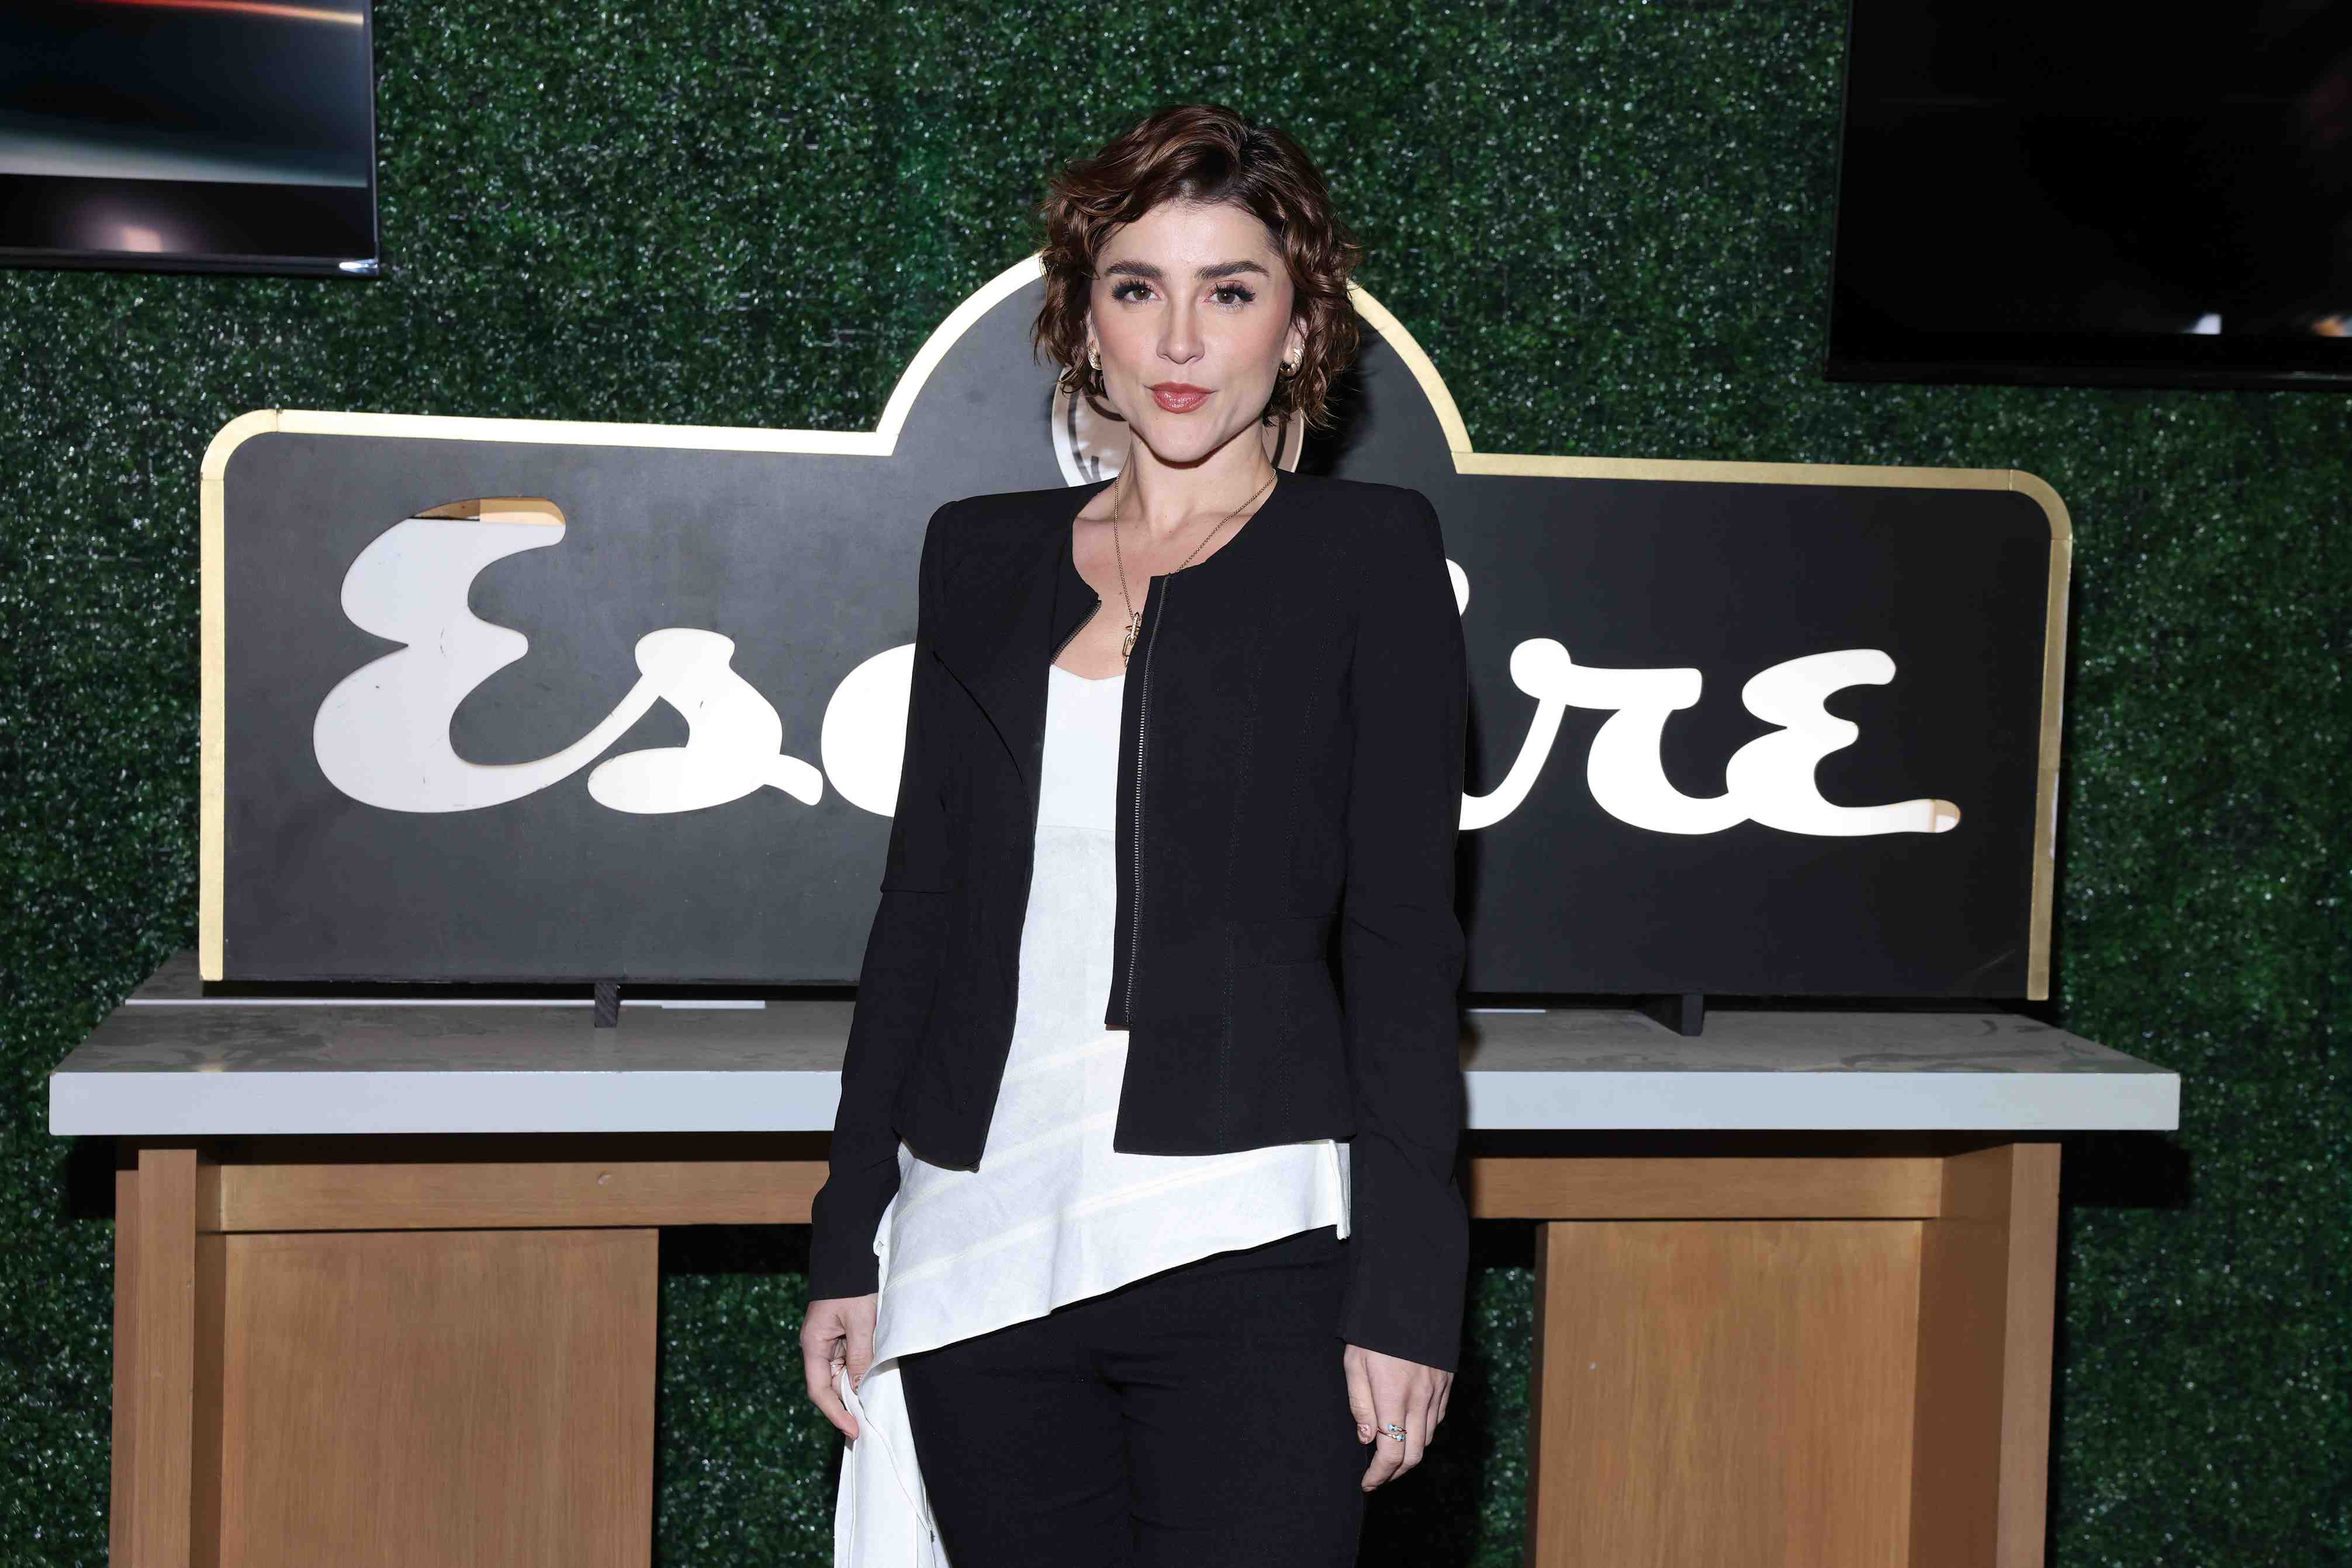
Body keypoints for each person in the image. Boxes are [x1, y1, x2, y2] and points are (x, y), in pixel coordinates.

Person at [800, 101, 1471, 1567]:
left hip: (1247, 1238)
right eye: (1135, 288)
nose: (1178, 340)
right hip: (978, 1230)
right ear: (1082, 324)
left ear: (1299, 327)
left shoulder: (1366, 557)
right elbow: (918, 914)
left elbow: (1404, 946)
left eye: (1228, 292)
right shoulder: (978, 556)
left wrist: (1409, 1290)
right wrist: (848, 1230)